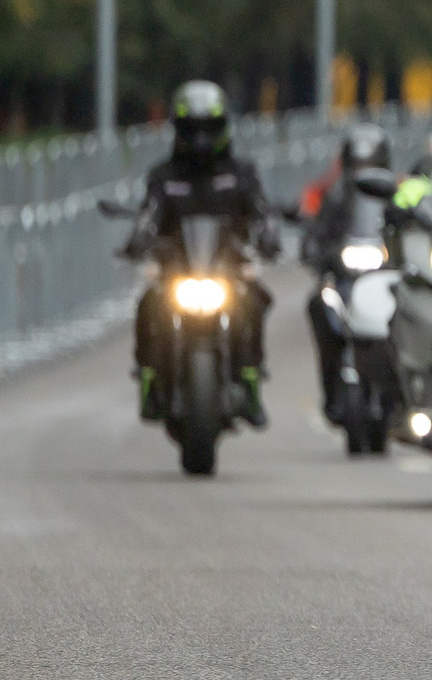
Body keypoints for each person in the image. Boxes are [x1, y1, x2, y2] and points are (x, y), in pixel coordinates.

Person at [126, 80, 280, 425]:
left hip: (226, 268)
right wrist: (136, 240)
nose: (201, 138)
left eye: (208, 128)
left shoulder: (240, 173)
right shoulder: (164, 176)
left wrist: (268, 235)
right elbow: (148, 213)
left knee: (255, 300)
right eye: (193, 129)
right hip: (178, 270)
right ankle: (149, 379)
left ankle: (250, 379)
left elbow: (261, 210)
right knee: (147, 303)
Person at [300, 123, 392, 421]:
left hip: (386, 280)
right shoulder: (333, 196)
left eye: (370, 163)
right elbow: (315, 234)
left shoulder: (397, 194)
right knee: (318, 305)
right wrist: (316, 251)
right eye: (359, 163)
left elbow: (415, 228)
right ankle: (329, 384)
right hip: (344, 280)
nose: (364, 170)